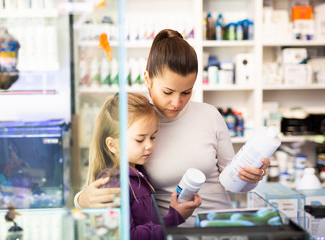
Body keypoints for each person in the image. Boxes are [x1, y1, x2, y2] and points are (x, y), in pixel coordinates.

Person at [74, 29, 269, 222]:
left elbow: (235, 183)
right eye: (167, 92)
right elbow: (110, 177)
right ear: (147, 79)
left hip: (220, 225)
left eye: (186, 92)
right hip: (169, 232)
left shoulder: (209, 116)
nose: (177, 103)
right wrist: (81, 199)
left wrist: (250, 178)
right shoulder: (137, 126)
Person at [75, 92, 201, 239]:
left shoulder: (137, 171)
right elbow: (130, 236)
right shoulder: (113, 184)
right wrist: (174, 217)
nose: (149, 146)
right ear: (112, 145)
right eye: (140, 140)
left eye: (153, 137)